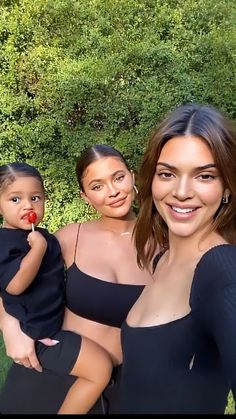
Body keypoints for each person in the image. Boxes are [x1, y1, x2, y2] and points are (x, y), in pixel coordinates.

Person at [0, 145, 152, 414]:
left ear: (132, 176)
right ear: (85, 196)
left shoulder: (164, 243)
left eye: (118, 178)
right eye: (97, 186)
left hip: (125, 392)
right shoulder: (70, 238)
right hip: (49, 375)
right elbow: (11, 277)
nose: (113, 191)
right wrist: (10, 327)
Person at [116, 103, 236, 414]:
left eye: (205, 176)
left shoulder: (221, 270)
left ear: (227, 187)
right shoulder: (162, 259)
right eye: (167, 173)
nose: (181, 191)